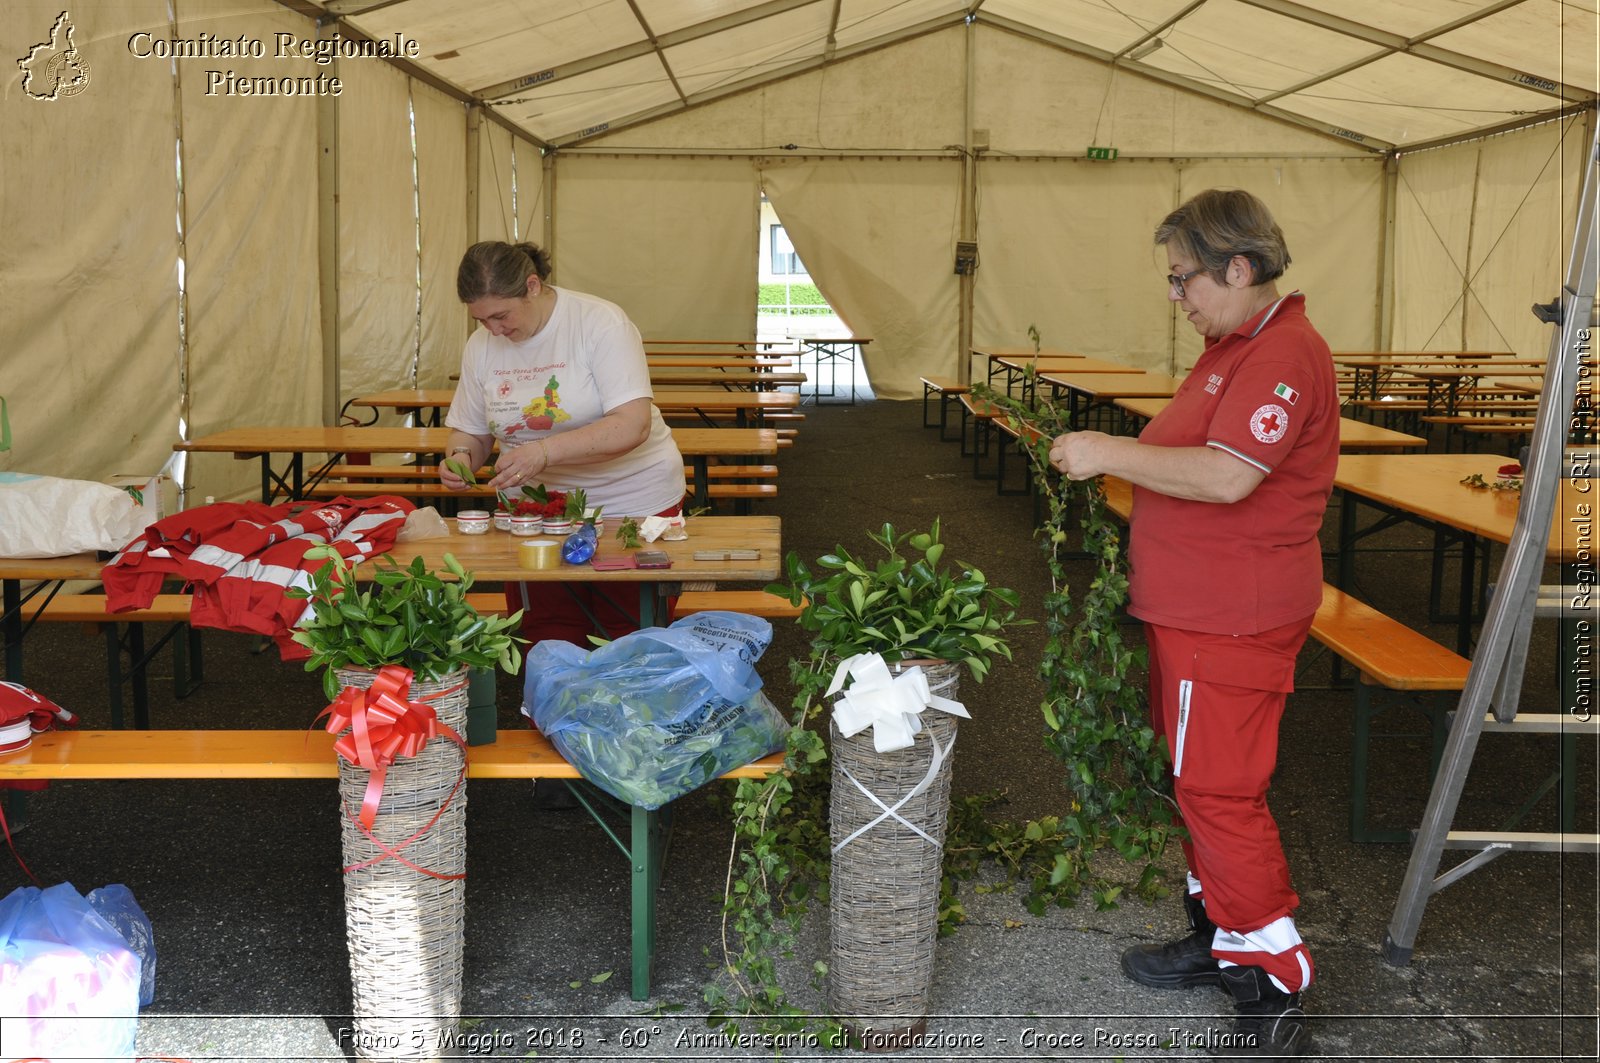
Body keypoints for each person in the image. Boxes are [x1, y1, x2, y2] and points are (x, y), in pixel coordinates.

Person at [1049, 189, 1337, 1058]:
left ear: (1237, 269)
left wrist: (1103, 452)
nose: (1177, 297)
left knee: (1219, 787)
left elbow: (1224, 477)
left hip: (1231, 618)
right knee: (1197, 779)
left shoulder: (1283, 353)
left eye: (1184, 280)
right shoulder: (1235, 344)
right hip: (1196, 610)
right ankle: (1219, 934)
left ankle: (1273, 973)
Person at [441, 240, 686, 646]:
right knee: (548, 632)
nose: (493, 330)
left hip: (629, 505)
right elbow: (471, 431)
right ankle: (556, 708)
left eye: (501, 315)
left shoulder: (600, 323)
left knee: (629, 632)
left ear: (533, 286)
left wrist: (544, 452)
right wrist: (461, 456)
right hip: (535, 515)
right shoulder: (481, 345)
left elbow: (632, 425)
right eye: (481, 319)